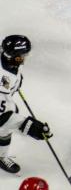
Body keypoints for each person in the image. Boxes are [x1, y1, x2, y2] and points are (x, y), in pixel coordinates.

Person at [0, 35, 53, 174]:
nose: (25, 58)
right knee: (5, 125)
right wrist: (28, 126)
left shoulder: (7, 60)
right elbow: (3, 118)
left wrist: (16, 82)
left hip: (4, 98)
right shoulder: (2, 77)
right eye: (23, 55)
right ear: (15, 56)